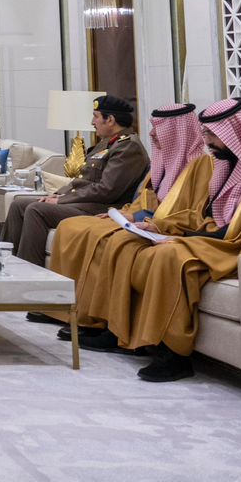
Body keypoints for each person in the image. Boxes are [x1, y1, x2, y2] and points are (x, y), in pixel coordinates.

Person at [71, 98, 241, 382]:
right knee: (128, 242)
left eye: (213, 134)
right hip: (212, 235)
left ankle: (173, 354)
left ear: (235, 131)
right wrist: (160, 226)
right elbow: (202, 213)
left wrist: (182, 239)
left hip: (239, 245)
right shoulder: (224, 162)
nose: (208, 142)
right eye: (205, 134)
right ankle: (118, 331)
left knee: (167, 256)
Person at [31, 102, 211, 324]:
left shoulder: (201, 166)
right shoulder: (163, 164)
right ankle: (63, 307)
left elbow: (191, 211)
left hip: (160, 226)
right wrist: (126, 214)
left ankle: (100, 321)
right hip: (138, 218)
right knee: (71, 226)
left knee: (108, 239)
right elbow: (144, 198)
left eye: (160, 129)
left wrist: (140, 219)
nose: (153, 135)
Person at [1, 93, 149, 266]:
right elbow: (83, 180)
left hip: (103, 208)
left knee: (37, 210)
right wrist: (58, 195)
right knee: (19, 205)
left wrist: (62, 201)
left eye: (96, 117)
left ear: (110, 120)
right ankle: (6, 263)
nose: (92, 122)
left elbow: (107, 190)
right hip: (86, 203)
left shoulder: (128, 147)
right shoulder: (107, 143)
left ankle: (30, 271)